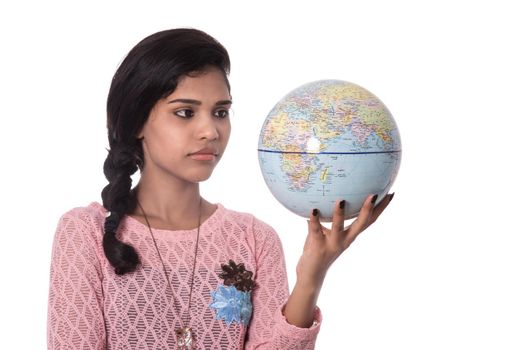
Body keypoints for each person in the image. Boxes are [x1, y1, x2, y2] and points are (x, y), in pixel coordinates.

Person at [46, 28, 394, 350]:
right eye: (185, 112)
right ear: (137, 120)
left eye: (221, 112)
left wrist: (312, 273)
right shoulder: (86, 233)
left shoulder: (254, 239)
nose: (211, 131)